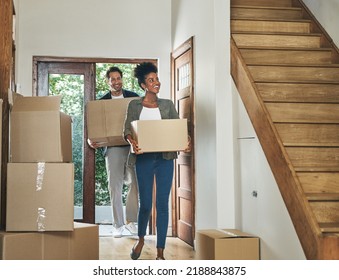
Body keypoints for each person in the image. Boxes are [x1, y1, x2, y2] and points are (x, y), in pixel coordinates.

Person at [123, 62, 190, 260]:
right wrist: (131, 142)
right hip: (143, 158)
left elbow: (179, 128)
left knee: (162, 204)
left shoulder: (167, 105)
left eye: (157, 79)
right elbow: (127, 130)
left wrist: (185, 141)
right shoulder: (134, 105)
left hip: (165, 159)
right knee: (145, 204)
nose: (156, 83)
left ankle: (160, 251)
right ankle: (141, 238)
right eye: (151, 80)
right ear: (143, 85)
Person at [88, 66, 139, 238]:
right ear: (108, 81)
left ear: (122, 79)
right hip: (113, 148)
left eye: (119, 78)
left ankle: (131, 220)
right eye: (113, 79)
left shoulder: (133, 98)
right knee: (115, 186)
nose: (116, 82)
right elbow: (93, 125)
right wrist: (91, 138)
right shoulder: (102, 102)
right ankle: (118, 225)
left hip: (131, 146)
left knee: (134, 184)